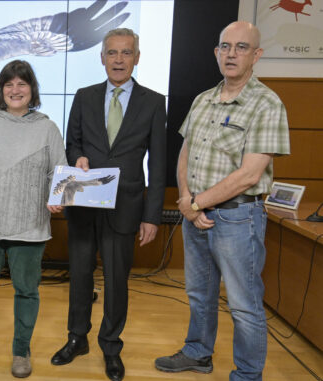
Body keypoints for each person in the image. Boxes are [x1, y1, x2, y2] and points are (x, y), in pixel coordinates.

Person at [155, 21, 290, 381]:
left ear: (256, 55)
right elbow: (185, 154)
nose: (232, 54)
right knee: (199, 294)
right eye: (225, 47)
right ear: (216, 53)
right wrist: (187, 199)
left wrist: (196, 204)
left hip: (237, 219)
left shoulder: (267, 104)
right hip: (194, 213)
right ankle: (199, 354)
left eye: (242, 47)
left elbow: (249, 175)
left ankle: (247, 375)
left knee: (244, 306)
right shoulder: (203, 99)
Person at [52, 28, 166, 381]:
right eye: (112, 53)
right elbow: (72, 144)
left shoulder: (153, 101)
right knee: (80, 276)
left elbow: (158, 164)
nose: (118, 59)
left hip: (126, 205)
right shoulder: (84, 96)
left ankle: (111, 346)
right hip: (84, 201)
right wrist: (80, 156)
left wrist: (153, 215)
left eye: (126, 53)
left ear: (137, 58)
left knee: (117, 281)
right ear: (102, 57)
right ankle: (77, 338)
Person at [0, 60, 67, 379]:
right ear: (0, 90)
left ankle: (21, 352)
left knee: (27, 291)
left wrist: (57, 196)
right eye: (9, 84)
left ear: (32, 90)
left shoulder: (47, 127)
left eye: (22, 84)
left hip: (29, 223)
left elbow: (58, 171)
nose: (15, 90)